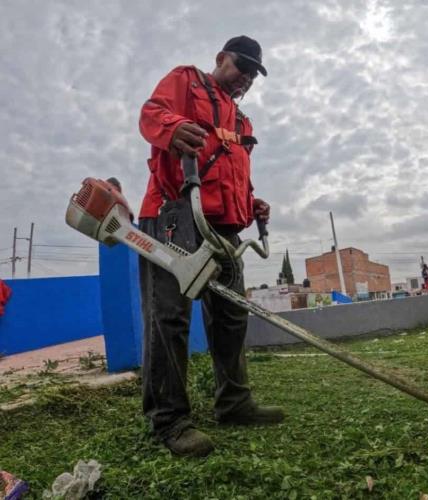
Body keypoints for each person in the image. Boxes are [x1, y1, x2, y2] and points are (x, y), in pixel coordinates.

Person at [138, 36, 283, 457]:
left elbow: (234, 171)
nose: (247, 79)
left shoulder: (242, 121)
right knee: (169, 318)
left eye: (254, 75)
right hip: (175, 213)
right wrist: (173, 128)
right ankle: (169, 421)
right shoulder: (187, 81)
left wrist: (251, 203)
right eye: (243, 67)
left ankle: (234, 403)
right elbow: (151, 115)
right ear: (221, 58)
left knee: (232, 315)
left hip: (225, 228)